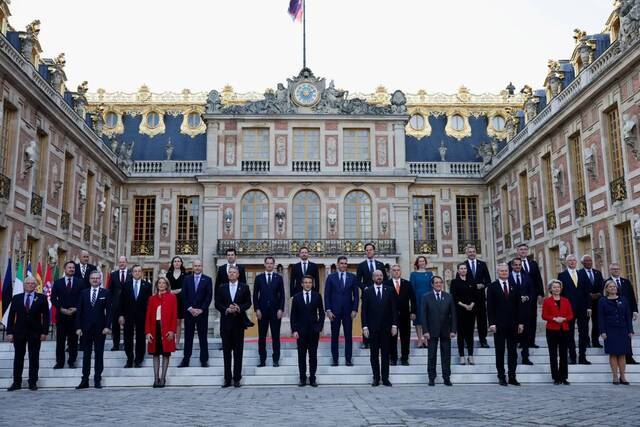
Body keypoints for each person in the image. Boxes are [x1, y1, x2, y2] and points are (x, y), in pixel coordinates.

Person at [5, 276, 49, 391]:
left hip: (35, 333)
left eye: (32, 283)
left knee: (34, 358)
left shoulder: (42, 298)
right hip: (19, 332)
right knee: (18, 358)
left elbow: (46, 317)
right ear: (24, 285)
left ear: (35, 285)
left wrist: (44, 332)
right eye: (28, 283)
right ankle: (16, 382)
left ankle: (33, 382)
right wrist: (9, 332)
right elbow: (11, 316)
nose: (30, 285)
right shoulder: (16, 298)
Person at [487, 263, 525, 386]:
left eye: (506, 271)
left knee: (513, 351)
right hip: (498, 325)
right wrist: (491, 323)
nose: (504, 272)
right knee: (500, 351)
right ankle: (501, 376)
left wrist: (520, 323)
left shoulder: (515, 286)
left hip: (513, 324)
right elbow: (490, 307)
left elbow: (519, 306)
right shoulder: (492, 287)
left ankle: (512, 376)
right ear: (498, 272)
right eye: (502, 271)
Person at [215, 266, 252, 387]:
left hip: (238, 324)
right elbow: (217, 303)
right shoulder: (222, 287)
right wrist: (226, 309)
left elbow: (248, 303)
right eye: (229, 272)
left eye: (234, 272)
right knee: (226, 353)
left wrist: (239, 308)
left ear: (238, 274)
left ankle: (237, 378)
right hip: (225, 324)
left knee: (238, 352)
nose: (231, 274)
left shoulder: (244, 287)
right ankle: (227, 379)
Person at [75, 271, 112, 389]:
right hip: (85, 330)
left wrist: (107, 326)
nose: (95, 280)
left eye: (97, 278)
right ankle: (84, 380)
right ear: (89, 280)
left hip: (100, 330)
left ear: (100, 279)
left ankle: (97, 379)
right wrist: (78, 327)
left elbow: (109, 312)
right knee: (86, 355)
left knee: (99, 354)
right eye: (93, 278)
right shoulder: (83, 293)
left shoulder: (105, 293)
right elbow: (79, 312)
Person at [361, 270, 397, 386]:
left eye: (381, 275)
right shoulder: (367, 292)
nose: (379, 277)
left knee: (386, 354)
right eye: (377, 275)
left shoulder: (390, 290)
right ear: (373, 278)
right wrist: (365, 327)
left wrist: (394, 325)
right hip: (372, 328)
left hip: (387, 328)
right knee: (374, 354)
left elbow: (394, 310)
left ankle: (385, 378)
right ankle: (376, 378)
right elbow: (364, 311)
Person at [421, 275, 457, 386]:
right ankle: (431, 378)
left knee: (446, 355)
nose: (438, 284)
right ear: (432, 284)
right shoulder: (426, 297)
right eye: (436, 283)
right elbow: (424, 315)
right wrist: (425, 331)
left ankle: (446, 377)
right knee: (431, 355)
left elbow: (453, 315)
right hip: (431, 331)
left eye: (440, 282)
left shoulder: (449, 296)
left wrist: (453, 330)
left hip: (446, 331)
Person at [290, 275, 325, 387]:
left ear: (312, 284)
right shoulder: (296, 297)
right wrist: (294, 330)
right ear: (302, 284)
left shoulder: (317, 296)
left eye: (310, 282)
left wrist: (319, 327)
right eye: (305, 282)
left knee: (313, 355)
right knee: (301, 356)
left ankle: (312, 378)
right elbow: (293, 315)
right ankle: (302, 378)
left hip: (313, 331)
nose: (308, 284)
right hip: (300, 332)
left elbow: (322, 313)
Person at [324, 256, 359, 366]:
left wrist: (354, 309)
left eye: (345, 263)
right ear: (337, 264)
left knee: (348, 336)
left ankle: (348, 359)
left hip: (348, 312)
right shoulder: (331, 277)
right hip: (334, 312)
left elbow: (356, 295)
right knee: (334, 336)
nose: (343, 265)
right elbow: (326, 295)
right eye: (341, 263)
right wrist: (328, 310)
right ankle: (335, 359)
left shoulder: (352, 277)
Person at [599, 279, 634, 385]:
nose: (613, 288)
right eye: (610, 286)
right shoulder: (602, 301)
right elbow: (600, 317)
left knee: (622, 354)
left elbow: (628, 315)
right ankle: (615, 376)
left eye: (614, 286)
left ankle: (623, 376)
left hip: (623, 329)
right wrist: (602, 331)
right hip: (610, 330)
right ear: (606, 289)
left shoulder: (623, 299)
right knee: (613, 354)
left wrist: (630, 330)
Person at [558, 254, 591, 364]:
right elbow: (560, 294)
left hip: (582, 309)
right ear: (566, 262)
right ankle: (572, 356)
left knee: (584, 333)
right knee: (569, 333)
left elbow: (587, 292)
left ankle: (582, 357)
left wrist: (589, 307)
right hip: (568, 310)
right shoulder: (561, 275)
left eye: (574, 260)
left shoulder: (582, 274)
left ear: (576, 262)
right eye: (570, 260)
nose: (572, 262)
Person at [179, 259, 213, 368]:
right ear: (192, 267)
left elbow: (209, 296)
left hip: (202, 313)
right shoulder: (186, 279)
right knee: (188, 337)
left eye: (199, 266)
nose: (197, 268)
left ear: (202, 267)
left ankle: (204, 360)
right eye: (195, 266)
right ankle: (186, 359)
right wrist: (190, 308)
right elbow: (183, 296)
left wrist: (201, 309)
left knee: (203, 337)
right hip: (189, 313)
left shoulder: (207, 280)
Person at [51, 260, 85, 369]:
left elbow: (83, 298)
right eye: (69, 267)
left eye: (73, 268)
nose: (71, 269)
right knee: (60, 341)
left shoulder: (80, 282)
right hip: (61, 316)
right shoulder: (58, 282)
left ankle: (72, 361)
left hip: (75, 317)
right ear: (65, 269)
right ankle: (60, 362)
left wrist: (76, 308)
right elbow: (53, 298)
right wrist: (61, 309)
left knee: (73, 341)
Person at [145, 276, 178, 388]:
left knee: (165, 354)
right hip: (154, 329)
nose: (161, 285)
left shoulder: (172, 297)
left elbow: (174, 316)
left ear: (167, 285)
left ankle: (163, 378)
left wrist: (172, 331)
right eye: (159, 283)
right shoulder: (152, 299)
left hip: (167, 329)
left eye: (164, 283)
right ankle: (156, 379)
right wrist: (148, 332)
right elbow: (148, 316)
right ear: (157, 285)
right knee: (155, 354)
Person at [253, 256, 285, 367]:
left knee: (276, 336)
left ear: (274, 264)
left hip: (275, 312)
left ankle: (276, 359)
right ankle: (262, 360)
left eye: (271, 263)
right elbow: (255, 296)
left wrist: (281, 309)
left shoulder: (278, 278)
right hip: (262, 312)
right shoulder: (259, 278)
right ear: (264, 264)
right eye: (268, 263)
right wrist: (257, 309)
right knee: (262, 337)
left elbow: (282, 296)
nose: (269, 265)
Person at [119, 264, 152, 368]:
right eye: (135, 271)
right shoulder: (126, 285)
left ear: (142, 273)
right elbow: (121, 302)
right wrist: (121, 315)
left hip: (142, 316)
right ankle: (129, 359)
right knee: (127, 337)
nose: (137, 273)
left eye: (139, 271)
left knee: (140, 338)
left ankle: (139, 359)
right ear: (132, 273)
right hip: (128, 316)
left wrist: (148, 317)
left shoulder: (147, 285)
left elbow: (149, 303)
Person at [512, 244, 544, 349]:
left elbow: (538, 279)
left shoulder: (533, 263)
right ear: (517, 251)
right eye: (521, 249)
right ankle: (519, 341)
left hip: (532, 296)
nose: (523, 251)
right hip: (517, 297)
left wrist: (540, 294)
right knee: (519, 318)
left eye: (525, 249)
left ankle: (531, 341)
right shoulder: (511, 264)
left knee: (532, 318)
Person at [541, 279, 573, 385]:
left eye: (558, 287)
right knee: (553, 354)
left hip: (564, 329)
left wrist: (563, 319)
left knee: (564, 354)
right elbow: (544, 315)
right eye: (554, 287)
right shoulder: (547, 301)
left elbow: (570, 315)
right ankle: (556, 378)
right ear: (550, 289)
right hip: (552, 330)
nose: (556, 289)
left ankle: (564, 377)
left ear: (561, 288)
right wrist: (554, 318)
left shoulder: (566, 300)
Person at [357, 243, 388, 349]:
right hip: (367, 296)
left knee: (380, 317)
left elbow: (386, 280)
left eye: (370, 250)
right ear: (365, 252)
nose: (369, 251)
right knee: (366, 317)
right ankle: (366, 341)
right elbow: (358, 280)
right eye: (367, 250)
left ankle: (379, 340)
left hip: (380, 295)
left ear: (374, 251)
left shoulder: (380, 264)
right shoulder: (361, 265)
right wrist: (364, 288)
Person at [384, 264, 416, 365]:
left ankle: (404, 358)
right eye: (394, 270)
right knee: (391, 337)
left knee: (405, 337)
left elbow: (413, 299)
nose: (396, 272)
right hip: (390, 316)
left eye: (398, 270)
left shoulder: (407, 283)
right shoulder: (386, 284)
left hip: (405, 314)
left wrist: (413, 312)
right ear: (391, 272)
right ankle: (393, 358)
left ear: (400, 272)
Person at [608, 262, 638, 365]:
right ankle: (618, 356)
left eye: (617, 269)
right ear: (610, 270)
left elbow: (632, 296)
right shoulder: (607, 282)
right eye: (614, 269)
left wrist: (635, 310)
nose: (616, 270)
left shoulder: (626, 282)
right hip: (613, 314)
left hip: (626, 312)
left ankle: (629, 357)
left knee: (628, 335)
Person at [509, 258, 535, 365]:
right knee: (513, 337)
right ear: (512, 266)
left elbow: (532, 292)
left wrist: (527, 297)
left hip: (525, 311)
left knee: (525, 336)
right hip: (511, 311)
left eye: (519, 265)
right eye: (515, 265)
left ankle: (525, 358)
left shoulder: (527, 277)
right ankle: (513, 358)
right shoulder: (508, 277)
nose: (518, 266)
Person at [450, 262, 476, 365]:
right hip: (460, 310)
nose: (463, 270)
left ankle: (470, 355)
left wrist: (471, 305)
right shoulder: (454, 282)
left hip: (471, 310)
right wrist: (465, 305)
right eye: (461, 268)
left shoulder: (472, 281)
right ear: (458, 270)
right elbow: (454, 296)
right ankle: (462, 356)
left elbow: (475, 295)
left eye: (465, 268)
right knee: (461, 334)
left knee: (470, 334)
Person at [465, 245, 491, 348]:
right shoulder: (463, 265)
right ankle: (468, 341)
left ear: (476, 252)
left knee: (482, 321)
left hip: (480, 298)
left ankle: (483, 340)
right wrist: (473, 286)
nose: (472, 253)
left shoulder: (482, 264)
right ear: (466, 253)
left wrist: (483, 285)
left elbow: (488, 281)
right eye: (470, 251)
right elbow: (460, 282)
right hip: (468, 299)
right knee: (469, 321)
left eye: (473, 251)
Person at [580, 255, 605, 348]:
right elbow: (579, 288)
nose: (589, 262)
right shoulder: (579, 273)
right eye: (586, 261)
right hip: (585, 302)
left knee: (597, 322)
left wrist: (598, 294)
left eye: (590, 260)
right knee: (584, 323)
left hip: (597, 301)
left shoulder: (597, 272)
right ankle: (586, 341)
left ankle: (595, 341)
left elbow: (602, 285)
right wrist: (588, 296)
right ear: (582, 263)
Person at [410, 256, 433, 348]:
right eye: (420, 261)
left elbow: (432, 287)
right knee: (418, 320)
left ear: (425, 262)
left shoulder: (430, 273)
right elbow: (412, 288)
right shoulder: (413, 274)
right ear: (417, 263)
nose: (422, 262)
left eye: (423, 261)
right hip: (417, 299)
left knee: (427, 319)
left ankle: (426, 339)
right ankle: (419, 339)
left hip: (428, 299)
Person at [108, 256, 130, 351]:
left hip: (128, 304)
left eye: (123, 262)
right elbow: (110, 290)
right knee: (115, 326)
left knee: (127, 326)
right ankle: (115, 345)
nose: (121, 264)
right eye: (120, 262)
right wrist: (111, 303)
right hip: (116, 305)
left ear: (126, 263)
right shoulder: (113, 275)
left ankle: (127, 343)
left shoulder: (131, 274)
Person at [166, 256, 186, 348]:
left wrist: (179, 290)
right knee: (170, 321)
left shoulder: (185, 275)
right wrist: (172, 291)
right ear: (172, 263)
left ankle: (176, 343)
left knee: (178, 322)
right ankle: (169, 340)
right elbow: (165, 287)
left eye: (179, 261)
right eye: (175, 261)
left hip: (181, 300)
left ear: (181, 263)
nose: (177, 263)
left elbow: (186, 288)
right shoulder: (168, 274)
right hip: (170, 300)